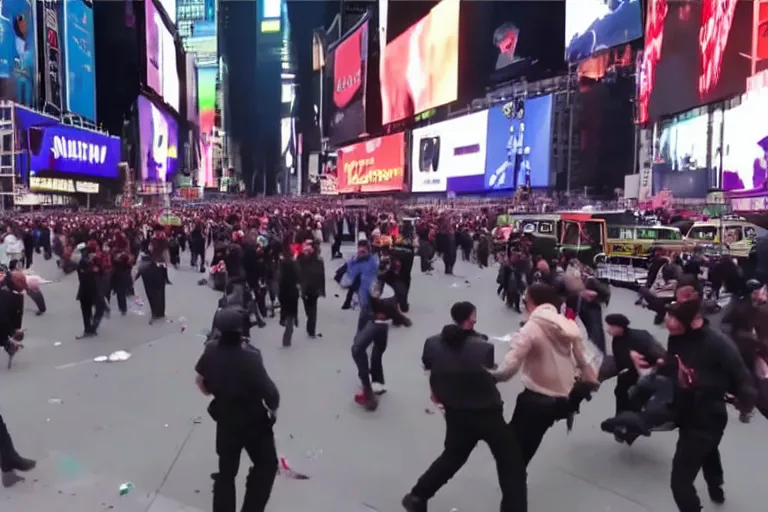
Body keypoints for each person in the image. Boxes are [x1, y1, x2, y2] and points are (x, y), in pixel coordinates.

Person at [631, 282, 756, 511]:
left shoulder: (717, 344)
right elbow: (673, 363)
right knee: (708, 452)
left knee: (680, 481)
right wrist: (653, 363)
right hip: (685, 409)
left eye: (673, 320)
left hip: (708, 415)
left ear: (691, 322)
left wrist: (746, 401)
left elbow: (741, 373)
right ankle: (716, 486)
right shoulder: (677, 338)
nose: (667, 324)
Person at [402, 301, 527, 512]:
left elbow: (429, 368)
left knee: (452, 457)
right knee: (511, 463)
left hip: (455, 412)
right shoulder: (483, 347)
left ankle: (417, 496)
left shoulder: (432, 343)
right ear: (472, 318)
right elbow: (496, 374)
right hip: (487, 413)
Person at [491, 282, 598, 467]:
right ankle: (518, 474)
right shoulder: (569, 325)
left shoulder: (530, 328)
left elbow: (510, 367)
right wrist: (591, 382)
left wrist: (492, 377)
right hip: (560, 400)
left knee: (511, 443)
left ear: (531, 302)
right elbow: (584, 360)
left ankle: (514, 484)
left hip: (534, 399)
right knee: (531, 441)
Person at [195, 307, 280, 512]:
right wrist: (273, 409)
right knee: (266, 464)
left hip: (225, 418)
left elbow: (201, 382)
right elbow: (270, 392)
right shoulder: (251, 356)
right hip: (253, 420)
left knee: (226, 472)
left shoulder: (211, 350)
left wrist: (216, 391)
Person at [603, 314, 666, 416]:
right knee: (621, 393)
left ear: (620, 327)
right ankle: (621, 417)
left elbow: (655, 353)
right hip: (628, 374)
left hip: (643, 374)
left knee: (633, 397)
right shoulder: (617, 339)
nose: (608, 330)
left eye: (611, 327)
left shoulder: (639, 338)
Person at [296, 239, 325, 338]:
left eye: (309, 246)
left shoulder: (318, 259)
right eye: (305, 246)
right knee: (308, 310)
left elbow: (321, 275)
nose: (306, 248)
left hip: (314, 288)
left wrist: (321, 290)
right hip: (304, 288)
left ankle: (311, 330)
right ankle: (310, 326)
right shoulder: (300, 258)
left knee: (313, 310)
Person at [277, 246, 300, 347]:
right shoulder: (294, 264)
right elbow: (299, 276)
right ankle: (287, 340)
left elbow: (278, 278)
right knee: (291, 313)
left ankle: (284, 320)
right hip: (292, 292)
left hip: (283, 292)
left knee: (285, 310)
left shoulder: (281, 265)